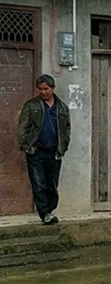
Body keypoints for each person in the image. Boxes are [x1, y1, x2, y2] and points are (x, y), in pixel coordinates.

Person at [17, 74, 71, 225]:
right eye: (40, 89)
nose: (43, 92)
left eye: (46, 89)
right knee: (39, 184)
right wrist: (27, 146)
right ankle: (45, 214)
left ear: (52, 88)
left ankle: (50, 209)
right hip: (36, 152)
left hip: (54, 152)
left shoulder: (62, 108)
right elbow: (22, 128)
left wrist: (63, 147)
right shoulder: (31, 105)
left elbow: (66, 129)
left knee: (52, 184)